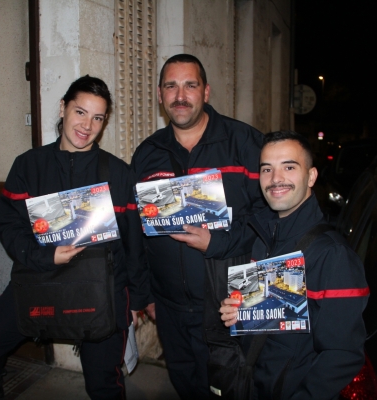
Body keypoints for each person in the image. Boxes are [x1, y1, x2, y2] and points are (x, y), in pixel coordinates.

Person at [0, 75, 149, 400]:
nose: (87, 125)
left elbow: (134, 245)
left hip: (100, 288)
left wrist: (135, 301)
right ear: (63, 108)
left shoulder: (118, 173)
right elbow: (9, 224)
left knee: (103, 382)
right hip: (41, 276)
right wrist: (45, 257)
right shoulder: (29, 166)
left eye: (98, 117)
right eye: (80, 112)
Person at [130, 54, 265, 399]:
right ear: (160, 95)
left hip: (228, 304)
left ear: (206, 92)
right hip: (169, 307)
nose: (180, 95)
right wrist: (146, 295)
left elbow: (269, 219)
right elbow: (137, 230)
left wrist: (217, 243)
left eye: (190, 85)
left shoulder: (245, 144)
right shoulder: (147, 153)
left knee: (231, 387)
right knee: (186, 385)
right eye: (171, 86)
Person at [219, 131, 369, 399]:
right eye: (267, 169)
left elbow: (343, 354)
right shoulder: (263, 237)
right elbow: (273, 318)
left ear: (311, 176)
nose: (276, 178)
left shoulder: (333, 256)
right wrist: (241, 309)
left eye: (289, 167)